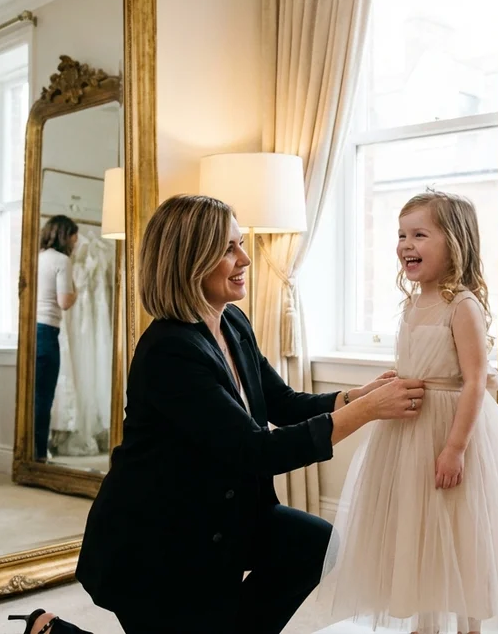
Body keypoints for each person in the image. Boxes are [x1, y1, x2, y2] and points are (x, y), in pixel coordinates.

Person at [72, 194, 425, 634]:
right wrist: (369, 411)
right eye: (228, 248)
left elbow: (282, 403)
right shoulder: (169, 350)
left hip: (222, 519)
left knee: (313, 543)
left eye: (240, 244)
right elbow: (258, 450)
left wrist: (355, 397)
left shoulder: (232, 322)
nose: (244, 259)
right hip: (157, 544)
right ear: (190, 259)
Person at [320, 191, 498, 634]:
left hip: (452, 431)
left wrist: (454, 447)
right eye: (401, 235)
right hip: (407, 430)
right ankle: (425, 620)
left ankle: (468, 625)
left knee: (459, 527)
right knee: (416, 525)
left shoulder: (463, 305)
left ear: (454, 242)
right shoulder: (412, 303)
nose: (405, 244)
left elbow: (475, 380)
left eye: (419, 234)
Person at [35, 215, 79, 461]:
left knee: (33, 395)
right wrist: (76, 290)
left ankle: (31, 450)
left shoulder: (36, 258)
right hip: (47, 331)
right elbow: (64, 301)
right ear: (66, 235)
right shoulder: (62, 260)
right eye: (74, 235)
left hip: (31, 331)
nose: (76, 240)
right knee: (44, 396)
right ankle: (39, 452)